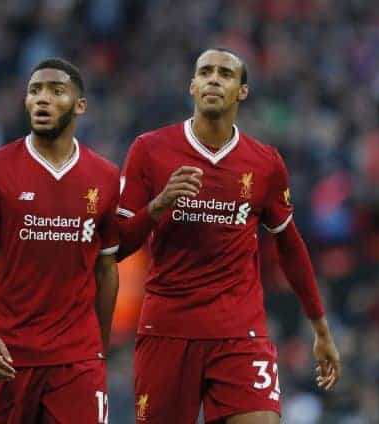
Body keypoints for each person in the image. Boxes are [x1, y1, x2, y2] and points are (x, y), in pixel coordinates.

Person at [117, 48, 341, 424]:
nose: (214, 79)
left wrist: (320, 327)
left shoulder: (265, 162)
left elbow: (290, 246)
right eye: (205, 72)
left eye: (225, 73)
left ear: (242, 92)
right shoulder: (150, 150)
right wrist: (159, 205)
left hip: (239, 332)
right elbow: (118, 244)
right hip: (169, 329)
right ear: (192, 85)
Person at [0, 58, 119, 423]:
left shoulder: (105, 177)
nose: (42, 99)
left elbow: (107, 267)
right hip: (9, 356)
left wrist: (99, 346)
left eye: (56, 91)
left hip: (77, 360)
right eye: (35, 91)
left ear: (80, 106)